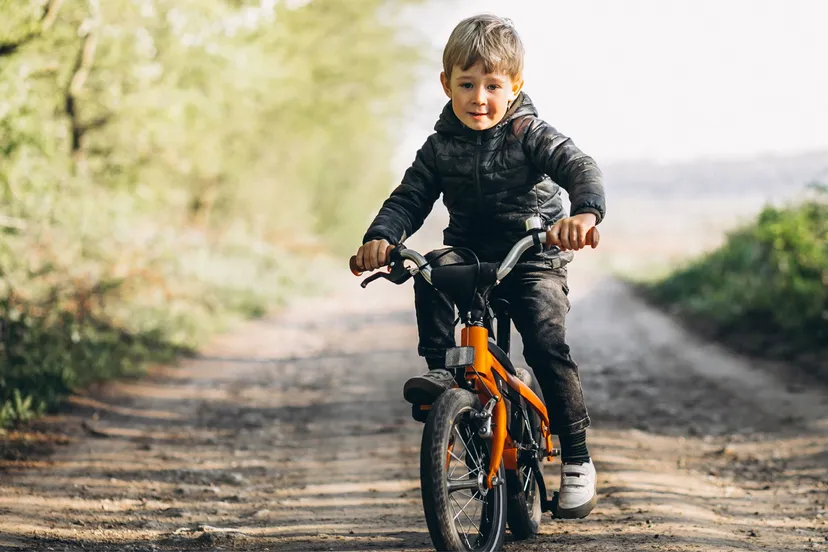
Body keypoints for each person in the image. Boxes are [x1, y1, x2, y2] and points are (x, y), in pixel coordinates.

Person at [352, 13, 605, 520]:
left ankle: (577, 457)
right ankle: (444, 374)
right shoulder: (439, 147)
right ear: (446, 84)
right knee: (431, 270)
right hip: (471, 253)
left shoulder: (529, 133)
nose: (479, 98)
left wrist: (582, 214)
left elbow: (579, 166)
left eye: (492, 85)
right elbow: (409, 198)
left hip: (532, 254)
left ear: (515, 86)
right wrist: (381, 238)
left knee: (545, 341)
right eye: (466, 84)